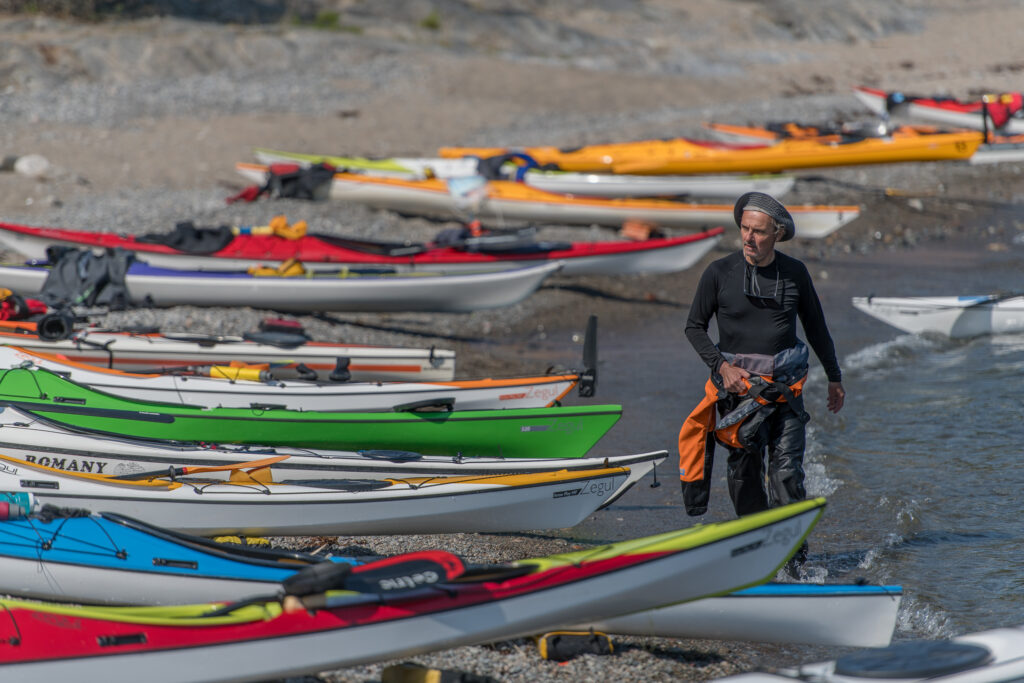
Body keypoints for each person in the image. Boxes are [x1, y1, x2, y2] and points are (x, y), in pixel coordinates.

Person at [680, 192, 845, 570]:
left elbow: (816, 328)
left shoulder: (795, 273)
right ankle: (762, 556)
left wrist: (835, 377)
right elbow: (694, 327)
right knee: (744, 482)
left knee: (787, 477)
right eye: (744, 229)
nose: (749, 238)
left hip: (786, 392)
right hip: (738, 397)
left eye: (758, 231)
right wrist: (722, 368)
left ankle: (794, 565)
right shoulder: (719, 273)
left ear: (777, 233)